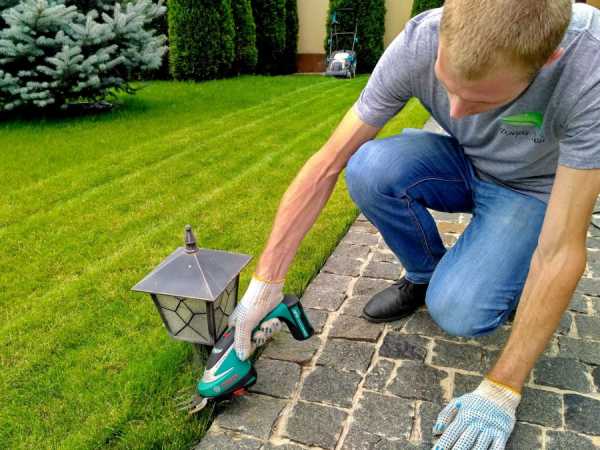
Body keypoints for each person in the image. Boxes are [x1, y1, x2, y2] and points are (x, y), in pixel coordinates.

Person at [228, 0, 600, 448]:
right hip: (462, 162)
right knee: (368, 167)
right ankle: (425, 275)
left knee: (459, 311)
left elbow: (561, 249)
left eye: (482, 99)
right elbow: (327, 164)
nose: (457, 113)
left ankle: (500, 279)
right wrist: (264, 286)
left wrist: (503, 387)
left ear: (549, 59)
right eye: (448, 87)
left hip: (532, 187)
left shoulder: (589, 66)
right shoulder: (420, 40)